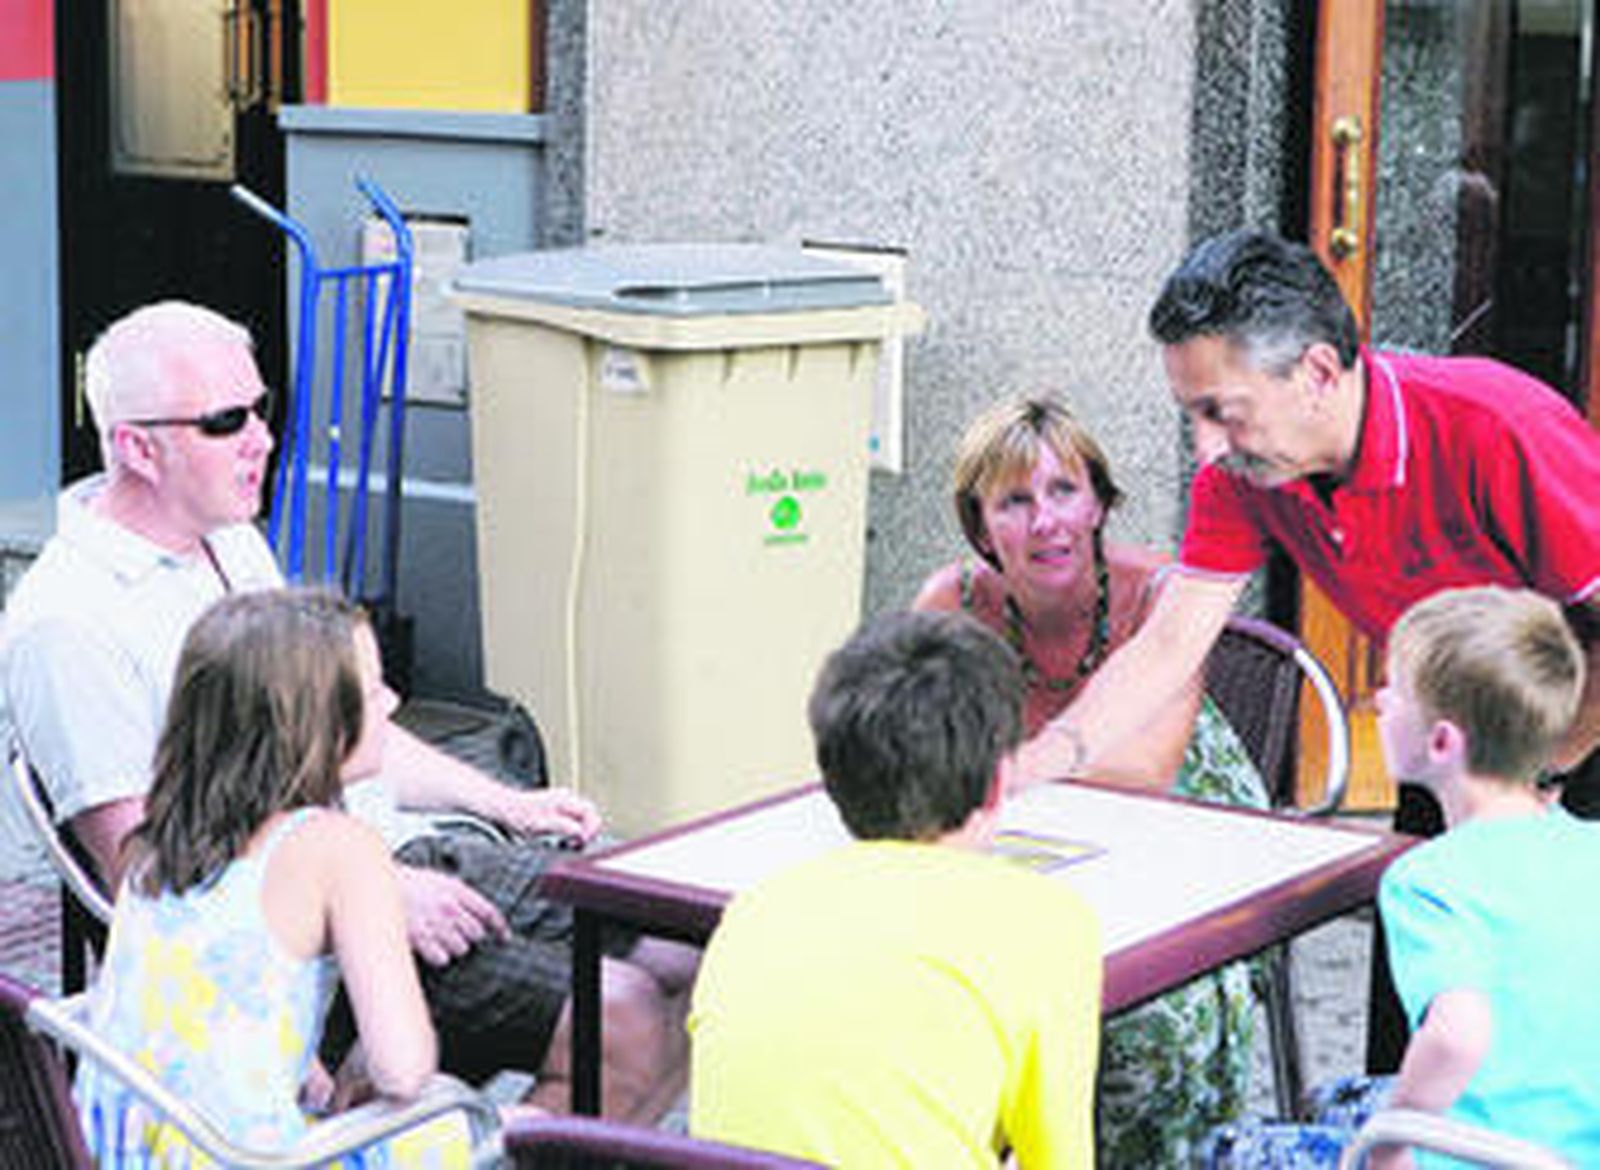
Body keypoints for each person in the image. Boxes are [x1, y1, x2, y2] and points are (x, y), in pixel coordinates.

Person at [0, 301, 691, 1118]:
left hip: (397, 854)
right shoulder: (69, 620)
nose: (261, 438)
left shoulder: (230, 538)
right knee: (630, 1023)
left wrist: (508, 803)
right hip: (296, 929)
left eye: (264, 409)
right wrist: (374, 896)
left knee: (682, 943)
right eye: (226, 422)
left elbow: (343, 727)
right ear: (136, 447)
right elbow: (143, 867)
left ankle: (403, 1118)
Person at [1016, 230, 1600, 1070]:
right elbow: (1172, 642)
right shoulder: (1246, 477)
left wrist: (1539, 771)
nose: (1207, 447)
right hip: (1462, 745)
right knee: (1415, 1032)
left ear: (1319, 372)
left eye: (1224, 410)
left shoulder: (1497, 426)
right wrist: (1050, 754)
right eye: (1192, 415)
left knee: (1556, 1032)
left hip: (1570, 734)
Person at [913, 393, 1266, 1165]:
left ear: (1101, 503)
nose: (1046, 521)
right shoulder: (950, 603)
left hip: (1183, 855)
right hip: (1026, 853)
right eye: (1014, 500)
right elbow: (909, 745)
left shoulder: (1159, 597)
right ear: (979, 526)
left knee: (1154, 1026)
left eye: (1064, 491)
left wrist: (990, 772)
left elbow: (1144, 772)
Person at [77, 587, 514, 1163]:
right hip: (245, 1159)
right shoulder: (339, 849)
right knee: (504, 1127)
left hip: (119, 1148)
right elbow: (404, 1073)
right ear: (315, 721)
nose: (394, 701)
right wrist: (366, 1057)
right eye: (373, 688)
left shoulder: (157, 835)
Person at [1201, 585, 1600, 1167]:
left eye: (1396, 690)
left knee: (1230, 1147)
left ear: (1441, 740)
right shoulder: (1588, 845)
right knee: (1330, 1100)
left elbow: (1458, 1035)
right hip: (1575, 1147)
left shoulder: (1430, 879)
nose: (1380, 700)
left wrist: (1387, 1148)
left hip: (1477, 1153)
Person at [688, 611, 1101, 1169]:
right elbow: (1056, 1160)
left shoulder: (753, 908)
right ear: (1001, 780)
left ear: (831, 779)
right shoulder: (1049, 924)